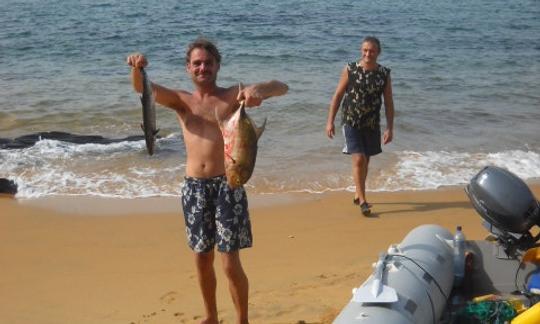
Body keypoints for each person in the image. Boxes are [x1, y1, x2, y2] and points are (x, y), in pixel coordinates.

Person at [126, 38, 288, 324]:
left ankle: (242, 320)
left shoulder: (232, 96)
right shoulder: (180, 100)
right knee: (202, 259)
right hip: (194, 188)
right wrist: (137, 68)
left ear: (217, 66)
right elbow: (142, 88)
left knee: (229, 260)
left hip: (229, 184)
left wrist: (257, 90)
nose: (203, 68)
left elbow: (281, 86)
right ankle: (211, 316)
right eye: (197, 63)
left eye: (208, 63)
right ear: (188, 68)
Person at [326, 36, 394, 216]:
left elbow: (388, 103)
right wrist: (330, 121)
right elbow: (338, 96)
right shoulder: (351, 69)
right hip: (351, 121)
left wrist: (389, 127)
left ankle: (358, 192)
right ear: (361, 51)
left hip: (371, 123)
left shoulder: (384, 74)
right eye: (365, 50)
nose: (367, 54)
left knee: (367, 159)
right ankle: (363, 201)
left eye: (371, 51)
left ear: (378, 52)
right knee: (359, 159)